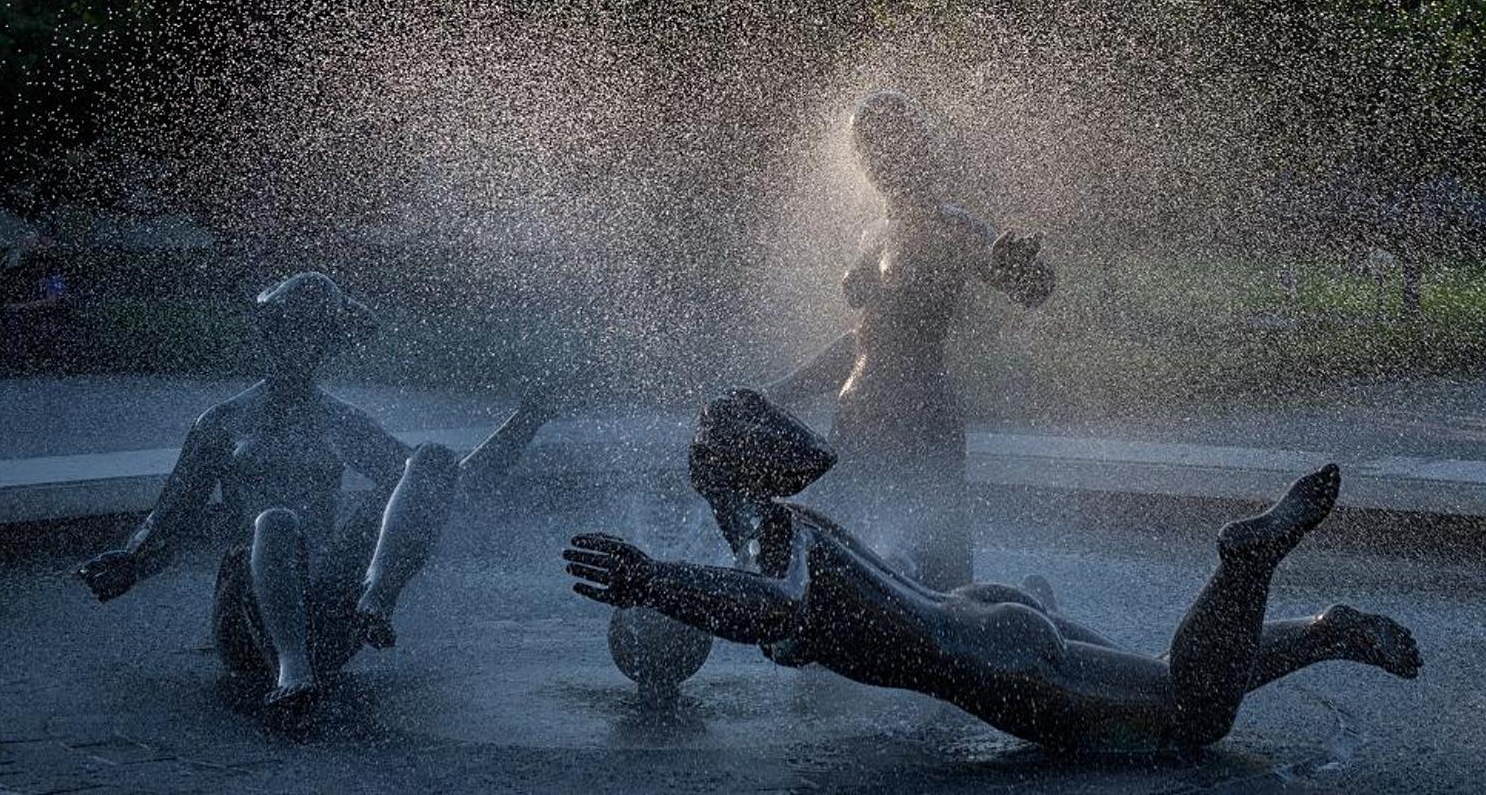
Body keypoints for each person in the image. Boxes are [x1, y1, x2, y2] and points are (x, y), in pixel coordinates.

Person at [564, 389, 1421, 757]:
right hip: (980, 616)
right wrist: (679, 589)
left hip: (991, 661)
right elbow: (788, 583)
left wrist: (653, 581)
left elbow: (774, 608)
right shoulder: (782, 528)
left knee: (1191, 717)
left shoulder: (768, 539)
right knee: (1167, 679)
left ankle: (1246, 564)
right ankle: (1325, 633)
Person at [75, 272, 549, 719]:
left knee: (430, 460)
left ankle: (376, 598)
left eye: (316, 334)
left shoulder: (343, 422)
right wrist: (132, 561)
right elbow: (167, 524)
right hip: (249, 621)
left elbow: (449, 489)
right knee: (276, 521)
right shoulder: (223, 422)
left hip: (326, 614)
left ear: (328, 343)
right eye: (293, 330)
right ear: (271, 334)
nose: (303, 344)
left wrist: (529, 417)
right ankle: (292, 672)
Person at [767, 90, 1053, 589]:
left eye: (887, 142)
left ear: (917, 145)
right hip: (856, 426)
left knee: (942, 576)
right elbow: (863, 343)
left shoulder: (952, 228)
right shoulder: (874, 235)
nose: (875, 159)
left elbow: (1030, 285)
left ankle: (1009, 621)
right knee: (828, 573)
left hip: (917, 421)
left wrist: (1022, 272)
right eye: (866, 148)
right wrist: (781, 392)